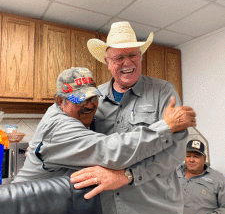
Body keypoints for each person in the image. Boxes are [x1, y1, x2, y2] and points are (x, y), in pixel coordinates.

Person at [70, 21, 196, 214]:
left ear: (140, 57)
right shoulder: (93, 97)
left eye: (133, 55)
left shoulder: (163, 91)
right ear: (107, 63)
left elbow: (175, 154)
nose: (127, 62)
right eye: (119, 58)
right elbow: (78, 142)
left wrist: (126, 175)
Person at [14, 66, 193, 183]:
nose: (90, 105)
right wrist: (166, 126)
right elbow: (111, 150)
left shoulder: (65, 114)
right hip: (28, 208)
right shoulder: (59, 127)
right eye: (80, 100)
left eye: (93, 97)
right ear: (61, 101)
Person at [177, 140, 225, 214]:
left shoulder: (218, 179)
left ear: (204, 158)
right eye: (188, 156)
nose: (191, 160)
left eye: (196, 156)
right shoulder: (173, 173)